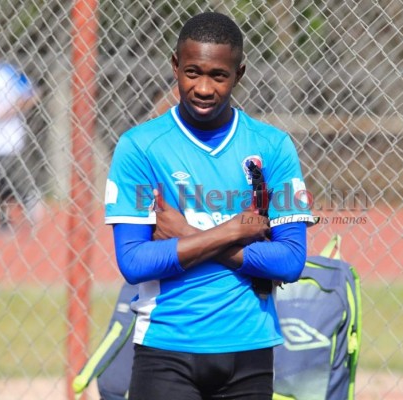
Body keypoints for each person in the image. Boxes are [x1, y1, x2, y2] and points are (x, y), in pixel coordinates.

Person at [104, 12, 316, 400]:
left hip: (250, 349)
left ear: (240, 73)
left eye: (218, 75)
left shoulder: (272, 147)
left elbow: (289, 261)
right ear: (174, 66)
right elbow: (134, 262)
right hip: (165, 348)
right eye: (192, 72)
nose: (203, 88)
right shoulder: (139, 147)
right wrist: (233, 231)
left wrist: (186, 236)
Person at [0, 40, 40, 230]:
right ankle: (3, 221)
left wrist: (11, 110)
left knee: (0, 179)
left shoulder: (5, 72)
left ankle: (25, 197)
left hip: (6, 138)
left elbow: (33, 93)